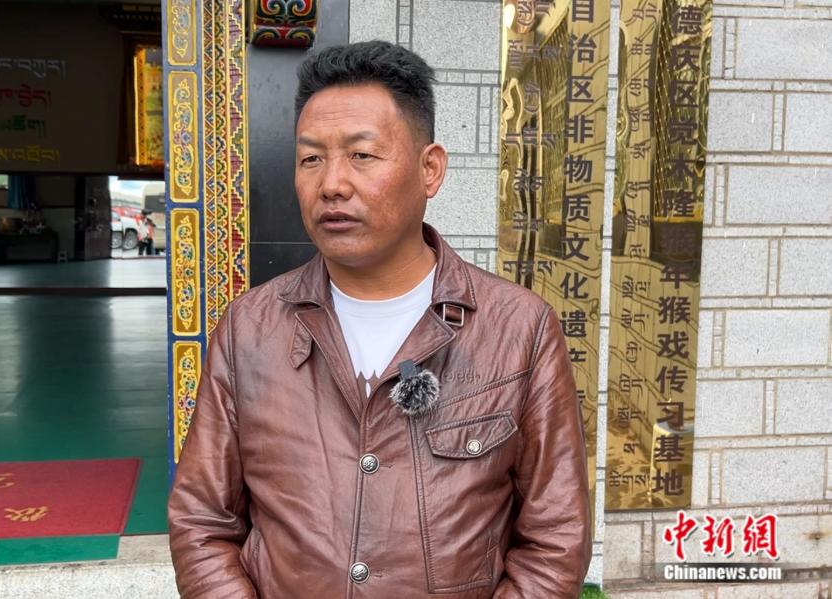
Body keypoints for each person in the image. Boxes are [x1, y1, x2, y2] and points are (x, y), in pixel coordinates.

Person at [168, 40, 591, 598]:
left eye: (362, 155)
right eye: (311, 159)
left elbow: (555, 538)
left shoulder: (519, 329)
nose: (331, 184)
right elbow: (201, 521)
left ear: (430, 169)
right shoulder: (249, 329)